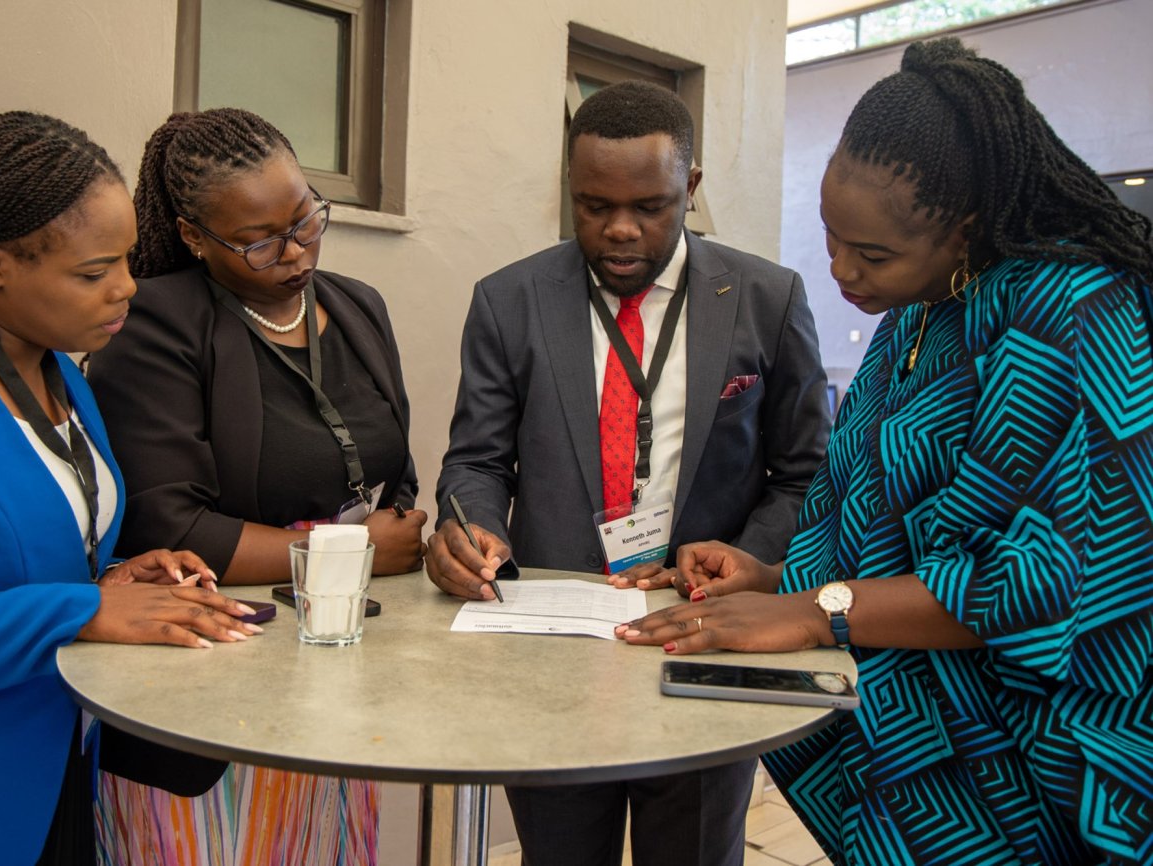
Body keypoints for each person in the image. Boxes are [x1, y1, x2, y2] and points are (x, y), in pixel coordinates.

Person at [619, 38, 1153, 866]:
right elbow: (869, 507)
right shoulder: (920, 303)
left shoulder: (1073, 309)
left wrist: (813, 612)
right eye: (833, 239)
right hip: (909, 737)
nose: (839, 271)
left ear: (965, 232)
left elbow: (1046, 582)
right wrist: (776, 579)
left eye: (870, 254)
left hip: (1035, 766)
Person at [427, 81, 832, 866]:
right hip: (550, 646)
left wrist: (746, 563)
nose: (618, 230)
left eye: (649, 206)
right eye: (591, 205)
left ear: (692, 189)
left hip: (703, 638)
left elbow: (804, 475)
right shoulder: (509, 300)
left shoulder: (766, 298)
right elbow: (475, 459)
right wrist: (470, 526)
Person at [0, 111, 261, 866]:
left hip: (58, 773)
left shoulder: (62, 368)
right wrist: (83, 608)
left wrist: (112, 577)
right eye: (92, 272)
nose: (126, 290)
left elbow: (1, 555)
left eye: (127, 260)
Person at [88, 108, 424, 864]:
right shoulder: (152, 322)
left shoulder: (359, 305)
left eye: (306, 219)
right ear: (194, 236)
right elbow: (170, 525)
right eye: (261, 241)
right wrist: (353, 548)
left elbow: (391, 474)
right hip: (211, 692)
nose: (296, 252)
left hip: (340, 671)